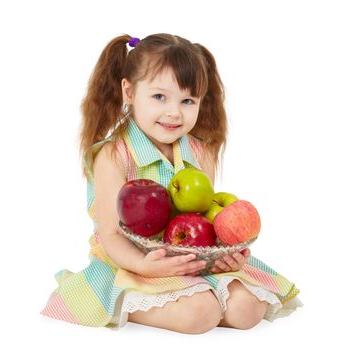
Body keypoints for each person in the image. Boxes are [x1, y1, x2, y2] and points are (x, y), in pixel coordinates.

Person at [41, 33, 302, 334]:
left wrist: (225, 255)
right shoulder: (114, 155)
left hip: (188, 254)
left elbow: (204, 217)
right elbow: (111, 234)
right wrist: (145, 267)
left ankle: (194, 293)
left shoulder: (200, 151)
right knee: (201, 314)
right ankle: (126, 303)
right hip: (130, 260)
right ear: (129, 91)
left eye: (187, 100)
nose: (174, 112)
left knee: (247, 311)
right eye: (159, 97)